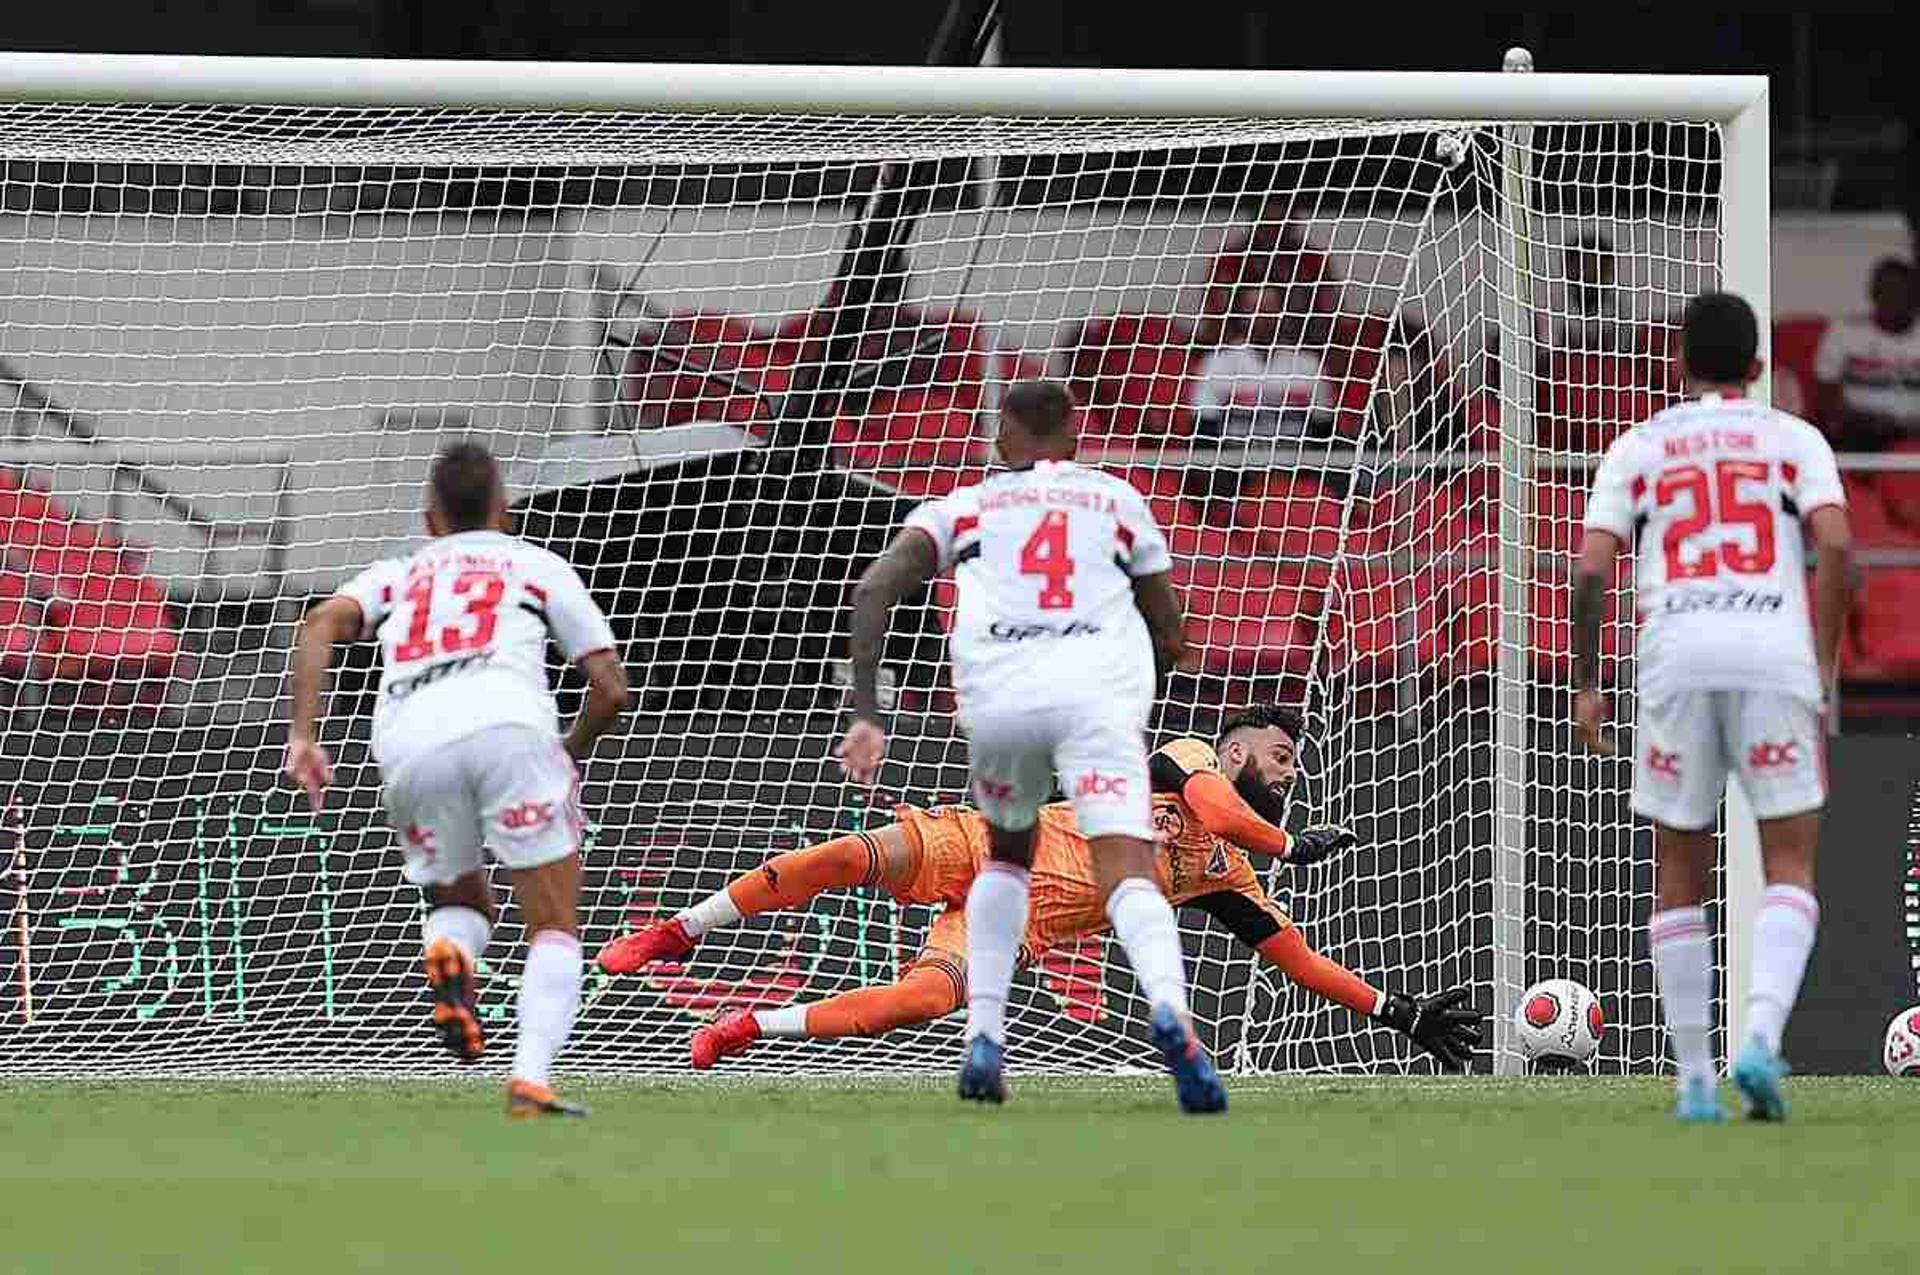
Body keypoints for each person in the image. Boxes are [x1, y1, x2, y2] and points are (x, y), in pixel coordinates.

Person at [598, 707, 1483, 1074]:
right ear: (1242, 748)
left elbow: (1294, 958)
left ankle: (750, 1025)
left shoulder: (1228, 873)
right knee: (837, 858)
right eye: (1281, 756)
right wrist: (1288, 843)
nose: (1289, 772)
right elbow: (1215, 805)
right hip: (988, 841)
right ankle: (680, 928)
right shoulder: (1191, 763)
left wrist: (1396, 1012)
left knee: (914, 1004)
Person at [833, 379, 1223, 1111]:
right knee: (1128, 866)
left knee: (1006, 855)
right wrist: (1154, 665)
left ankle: (985, 1034)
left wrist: (866, 710)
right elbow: (1170, 627)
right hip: (1095, 700)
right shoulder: (1116, 500)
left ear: (1002, 438)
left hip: (1004, 703)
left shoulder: (967, 505)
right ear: (1075, 438)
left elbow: (875, 589)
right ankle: (1171, 1010)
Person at [284, 441, 631, 1118]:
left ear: (429, 519)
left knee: (462, 895)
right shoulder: (537, 565)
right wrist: (570, 751)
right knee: (553, 922)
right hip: (508, 727)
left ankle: (447, 950)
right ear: (504, 510)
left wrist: (304, 734)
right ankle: (530, 1078)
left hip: (411, 741)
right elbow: (612, 688)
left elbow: (319, 625)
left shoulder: (401, 571)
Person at [1571, 292, 1853, 1123]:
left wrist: (1591, 683)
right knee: (1791, 864)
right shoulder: (1793, 437)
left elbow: (1591, 567)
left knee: (1678, 873)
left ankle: (1696, 1076)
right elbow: (1835, 542)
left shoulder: (1641, 444)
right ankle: (1760, 1039)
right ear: (1760, 369)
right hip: (1772, 655)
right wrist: (1824, 662)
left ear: (1678, 365)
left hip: (1676, 655)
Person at [1189, 278, 1337, 440]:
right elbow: (1204, 430)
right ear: (1240, 314)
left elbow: (1323, 430)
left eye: (1269, 308)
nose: (1261, 316)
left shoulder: (1309, 365)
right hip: (1232, 461)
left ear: (1282, 313)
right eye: (1252, 308)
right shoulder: (1217, 364)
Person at [1813, 257, 1920, 449]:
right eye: (1886, 291)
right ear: (1873, 294)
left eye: (1901, 292)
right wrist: (1860, 419)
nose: (1893, 299)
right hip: (1861, 429)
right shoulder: (1844, 332)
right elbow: (1825, 397)